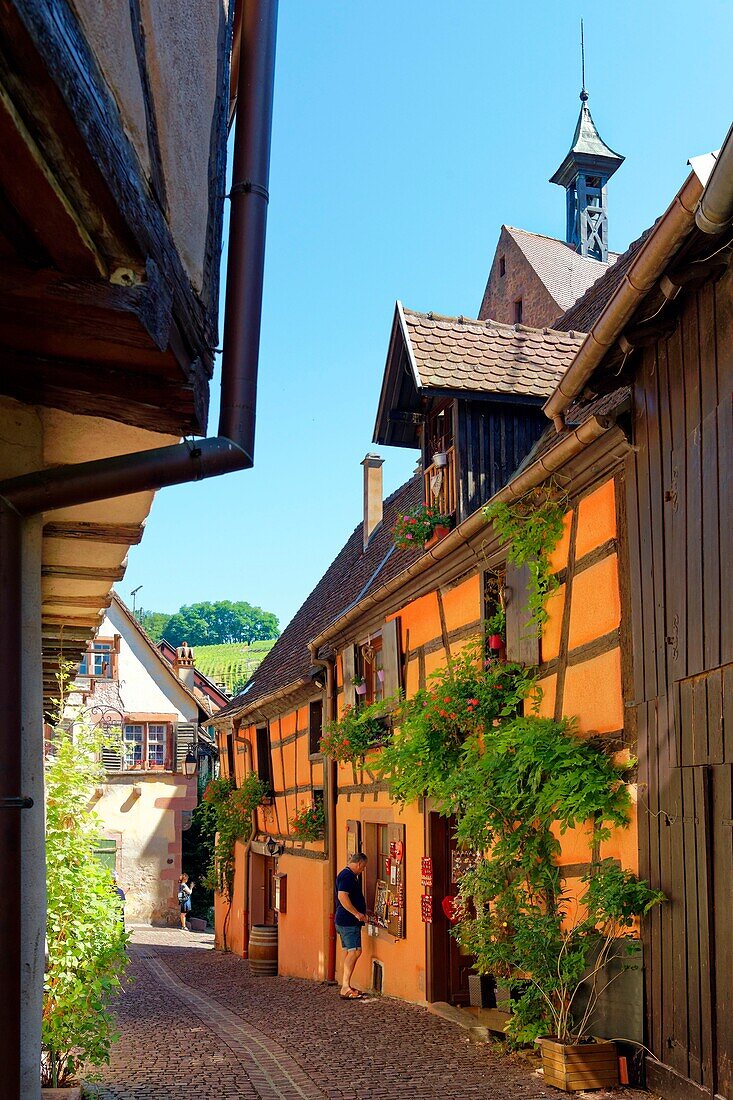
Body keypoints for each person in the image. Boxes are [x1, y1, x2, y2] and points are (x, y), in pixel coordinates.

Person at [335, 852, 368, 999]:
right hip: (348, 921)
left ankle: (345, 984)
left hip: (343, 920)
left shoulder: (347, 875)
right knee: (355, 952)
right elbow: (342, 896)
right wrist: (357, 914)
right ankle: (345, 987)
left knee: (349, 952)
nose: (363, 870)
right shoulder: (347, 876)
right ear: (359, 863)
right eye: (363, 867)